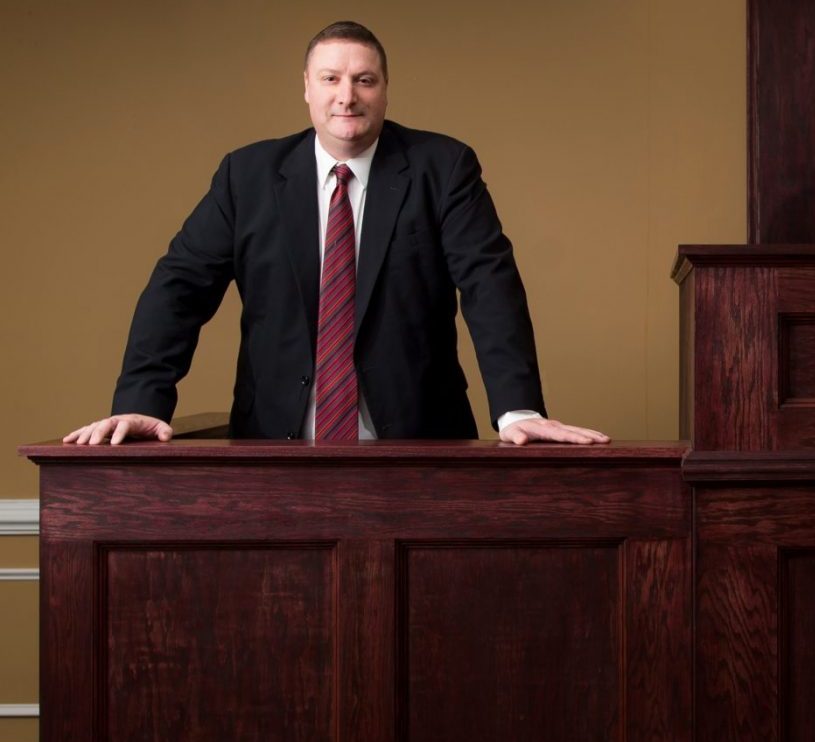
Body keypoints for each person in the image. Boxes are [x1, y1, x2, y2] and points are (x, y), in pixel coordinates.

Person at [65, 21, 608, 447]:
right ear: (306, 88)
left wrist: (518, 409)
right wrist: (142, 400)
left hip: (421, 445)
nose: (346, 96)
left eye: (363, 80)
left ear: (385, 90)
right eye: (331, 78)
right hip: (273, 449)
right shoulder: (246, 176)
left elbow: (491, 285)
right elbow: (178, 288)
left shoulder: (443, 168)